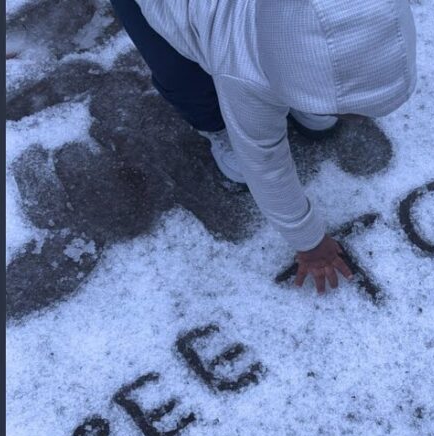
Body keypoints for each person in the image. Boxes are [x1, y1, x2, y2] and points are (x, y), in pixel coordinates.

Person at [107, 0, 417, 294]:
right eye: (350, 112)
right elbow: (265, 163)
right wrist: (308, 240)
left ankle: (306, 94)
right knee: (184, 79)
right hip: (166, 10)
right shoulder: (244, 71)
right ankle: (216, 124)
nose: (360, 121)